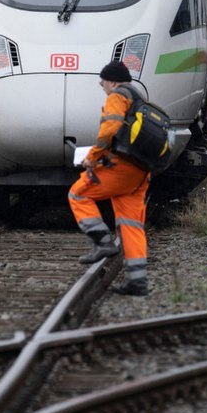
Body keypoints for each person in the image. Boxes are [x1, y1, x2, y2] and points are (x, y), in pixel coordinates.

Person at [67, 60, 152, 296]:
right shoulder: (138, 97)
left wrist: (93, 157)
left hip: (121, 168)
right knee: (131, 225)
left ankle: (103, 243)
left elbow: (110, 129)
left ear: (112, 81)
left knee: (78, 193)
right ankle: (138, 282)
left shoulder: (117, 95)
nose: (102, 87)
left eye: (102, 83)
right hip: (140, 171)